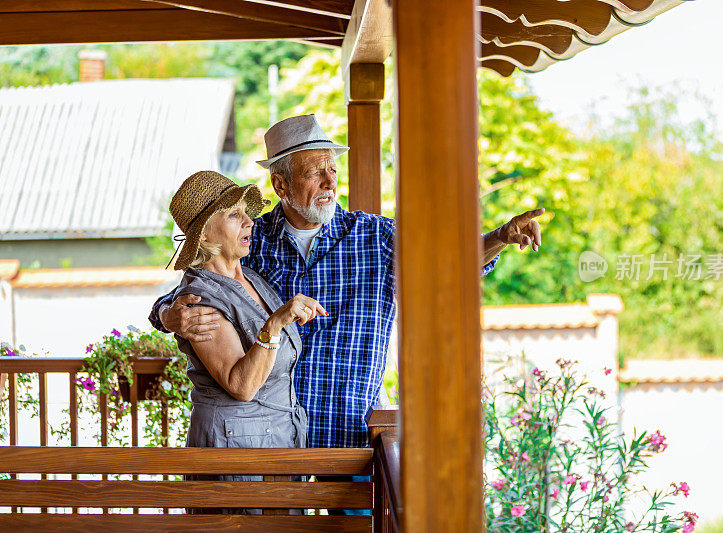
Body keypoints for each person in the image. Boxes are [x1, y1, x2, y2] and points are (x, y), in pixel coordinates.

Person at [150, 114, 545, 451]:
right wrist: (169, 315)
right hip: (273, 446)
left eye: (332, 170)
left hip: (349, 441)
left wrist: (499, 238)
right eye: (313, 172)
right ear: (281, 186)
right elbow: (196, 291)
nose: (329, 181)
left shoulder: (377, 237)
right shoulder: (251, 240)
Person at [168, 170, 326, 514]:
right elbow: (241, 384)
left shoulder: (249, 276)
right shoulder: (200, 298)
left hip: (275, 445)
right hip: (236, 453)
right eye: (234, 214)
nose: (249, 222)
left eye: (247, 212)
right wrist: (276, 323)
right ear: (205, 232)